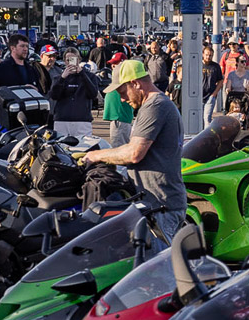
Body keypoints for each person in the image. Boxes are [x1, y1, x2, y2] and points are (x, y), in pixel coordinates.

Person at [82, 60, 186, 240]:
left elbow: (134, 153)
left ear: (136, 83)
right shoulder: (152, 105)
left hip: (162, 207)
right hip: (155, 205)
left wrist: (96, 155)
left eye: (123, 92)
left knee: (157, 266)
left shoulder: (155, 106)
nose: (122, 99)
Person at [48, 49, 101, 140]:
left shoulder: (90, 76)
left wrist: (82, 73)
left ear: (79, 60)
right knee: (61, 147)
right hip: (62, 120)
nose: (70, 63)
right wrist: (62, 78)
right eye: (68, 60)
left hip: (82, 120)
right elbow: (54, 95)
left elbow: (93, 94)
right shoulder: (58, 77)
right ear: (64, 61)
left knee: (83, 148)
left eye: (73, 59)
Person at [223, 54, 249, 126]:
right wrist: (228, 89)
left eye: (245, 61)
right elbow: (228, 86)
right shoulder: (231, 74)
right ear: (237, 63)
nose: (244, 63)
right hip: (234, 97)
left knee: (245, 116)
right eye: (242, 61)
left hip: (244, 97)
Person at [102, 77, 134, 146]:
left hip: (119, 120)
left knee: (119, 146)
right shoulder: (118, 84)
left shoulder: (122, 84)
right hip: (119, 119)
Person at [200, 45, 222, 125]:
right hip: (199, 96)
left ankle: (206, 137)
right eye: (206, 55)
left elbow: (220, 81)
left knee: (207, 119)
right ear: (203, 54)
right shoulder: (198, 65)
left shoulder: (215, 66)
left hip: (210, 96)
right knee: (199, 119)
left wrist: (214, 94)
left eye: (210, 55)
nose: (208, 57)